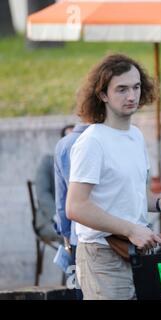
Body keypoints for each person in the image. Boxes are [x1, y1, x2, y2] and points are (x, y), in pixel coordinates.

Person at [66, 53, 161, 300]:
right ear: (103, 94)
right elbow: (75, 206)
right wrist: (131, 229)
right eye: (121, 89)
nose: (131, 96)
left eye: (136, 87)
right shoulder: (92, 142)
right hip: (103, 256)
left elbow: (137, 191)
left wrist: (160, 203)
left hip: (136, 253)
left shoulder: (135, 135)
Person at [54, 122, 89, 299]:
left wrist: (66, 235)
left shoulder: (63, 145)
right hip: (112, 236)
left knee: (80, 290)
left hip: (76, 234)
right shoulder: (105, 138)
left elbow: (61, 200)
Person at [35, 125, 74, 242]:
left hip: (76, 220)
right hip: (49, 219)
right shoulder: (48, 161)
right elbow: (42, 194)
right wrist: (59, 217)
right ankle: (69, 260)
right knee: (68, 234)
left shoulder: (81, 164)